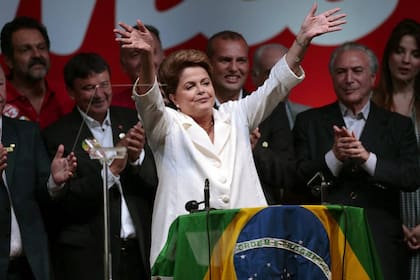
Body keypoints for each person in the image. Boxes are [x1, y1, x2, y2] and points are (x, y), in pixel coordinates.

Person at [115, 3, 346, 267]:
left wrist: (302, 40)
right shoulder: (166, 125)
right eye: (190, 86)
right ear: (173, 98)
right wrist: (146, 59)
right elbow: (148, 101)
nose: (201, 90)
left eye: (205, 83)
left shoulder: (235, 115)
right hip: (190, 248)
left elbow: (275, 86)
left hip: (245, 241)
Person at [293, 41, 420, 279]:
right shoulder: (308, 122)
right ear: (332, 77)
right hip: (325, 241)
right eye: (341, 72)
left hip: (382, 246)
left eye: (357, 71)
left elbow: (411, 177)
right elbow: (297, 182)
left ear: (373, 76)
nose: (349, 79)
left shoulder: (399, 125)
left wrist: (367, 159)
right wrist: (334, 158)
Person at [42, 53, 158, 279]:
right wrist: (113, 169)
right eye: (88, 88)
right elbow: (68, 204)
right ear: (71, 92)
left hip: (139, 251)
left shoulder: (132, 119)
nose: (100, 94)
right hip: (90, 259)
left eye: (104, 84)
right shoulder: (57, 136)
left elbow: (155, 182)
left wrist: (136, 159)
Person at [0, 64, 76, 280]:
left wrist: (54, 181)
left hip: (30, 265)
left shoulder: (26, 132)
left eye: (0, 85)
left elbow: (43, 195)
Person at [372, 18, 420, 280]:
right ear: (388, 55)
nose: (406, 60)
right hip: (385, 218)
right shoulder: (371, 104)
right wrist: (392, 225)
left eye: (415, 54)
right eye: (400, 51)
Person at [251, 43, 310, 204]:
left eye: (285, 72)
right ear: (254, 75)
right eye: (271, 73)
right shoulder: (246, 115)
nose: (279, 79)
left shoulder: (309, 117)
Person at [0, 16, 74, 129]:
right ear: (9, 60)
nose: (37, 55)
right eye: (26, 49)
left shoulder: (67, 95)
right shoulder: (2, 97)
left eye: (41, 47)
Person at [112, 24, 165, 109]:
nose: (146, 60)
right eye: (135, 54)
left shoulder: (182, 97)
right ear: (123, 65)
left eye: (151, 51)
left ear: (163, 56)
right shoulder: (114, 106)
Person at [206, 30, 250, 106]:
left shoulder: (265, 109)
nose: (234, 68)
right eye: (225, 60)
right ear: (208, 63)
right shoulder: (190, 112)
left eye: (241, 60)